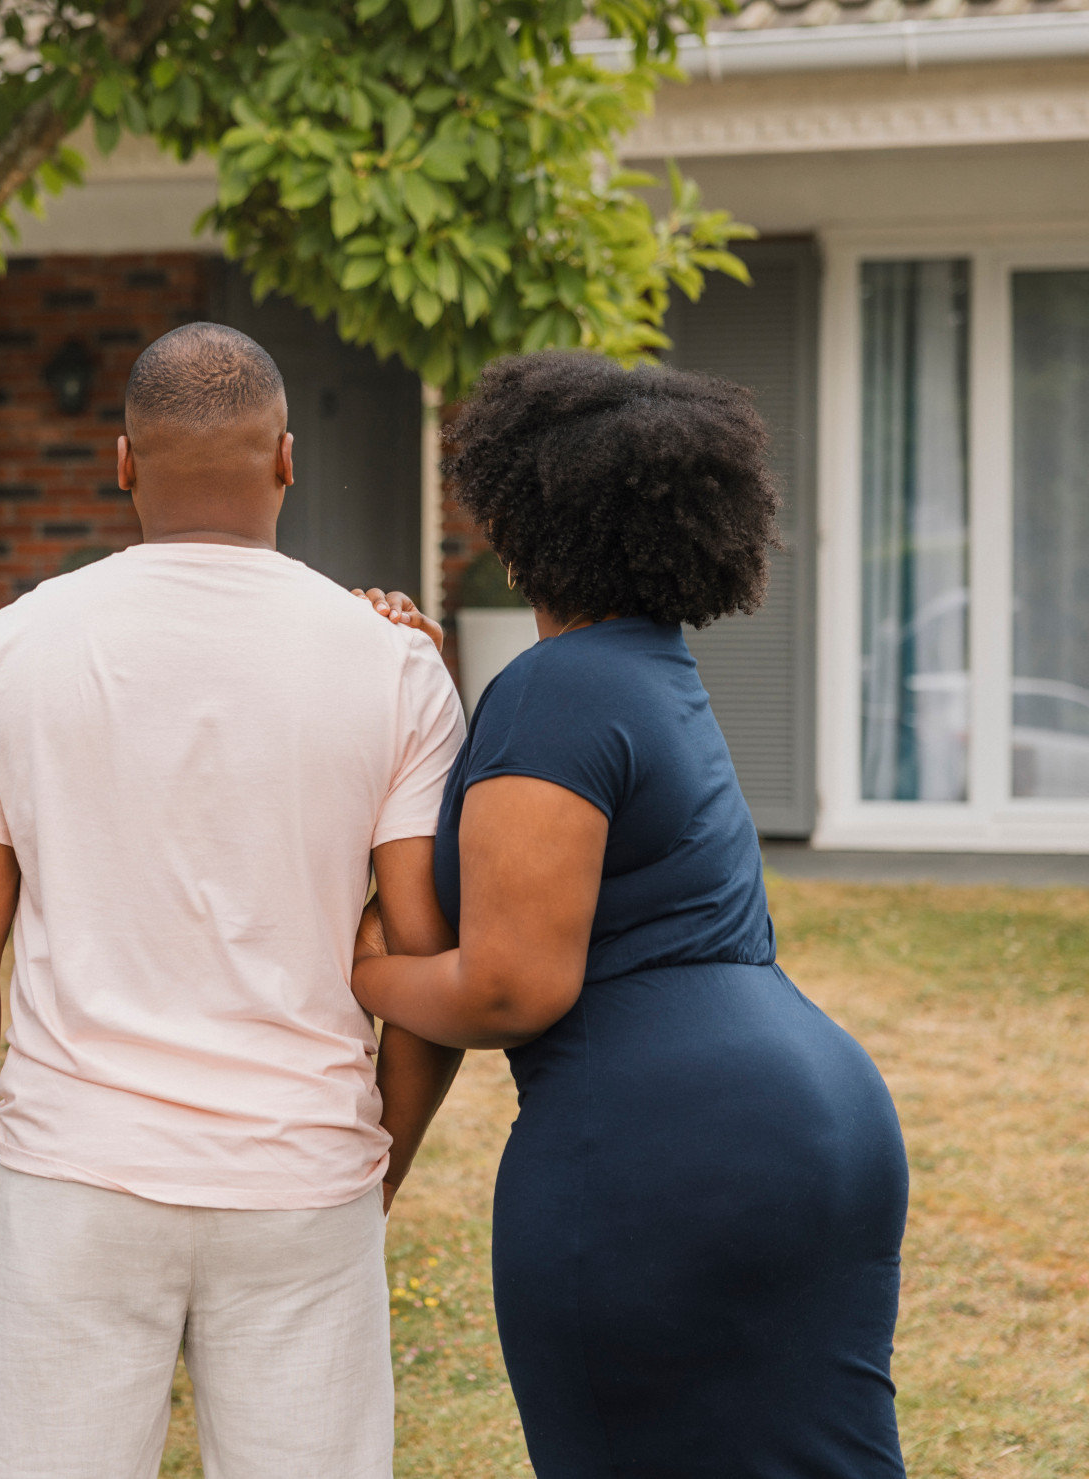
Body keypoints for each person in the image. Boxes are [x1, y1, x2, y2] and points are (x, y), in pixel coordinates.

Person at [0, 321, 466, 1479]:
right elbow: (426, 951)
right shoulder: (395, 664)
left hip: (73, 1170)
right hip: (302, 1172)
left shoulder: (8, 650)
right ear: (287, 460)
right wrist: (381, 1160)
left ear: (121, 463)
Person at [352, 351, 910, 1478]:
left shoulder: (557, 689)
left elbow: (513, 985)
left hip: (664, 1153)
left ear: (524, 523)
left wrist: (366, 969)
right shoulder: (644, 670)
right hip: (819, 1123)